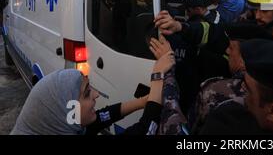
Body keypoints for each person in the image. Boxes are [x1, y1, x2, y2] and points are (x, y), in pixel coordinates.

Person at [10, 45, 175, 135]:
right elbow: (143, 132)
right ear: (65, 111)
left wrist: (142, 102)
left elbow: (101, 118)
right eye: (87, 93)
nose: (96, 94)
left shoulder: (67, 123)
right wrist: (158, 76)